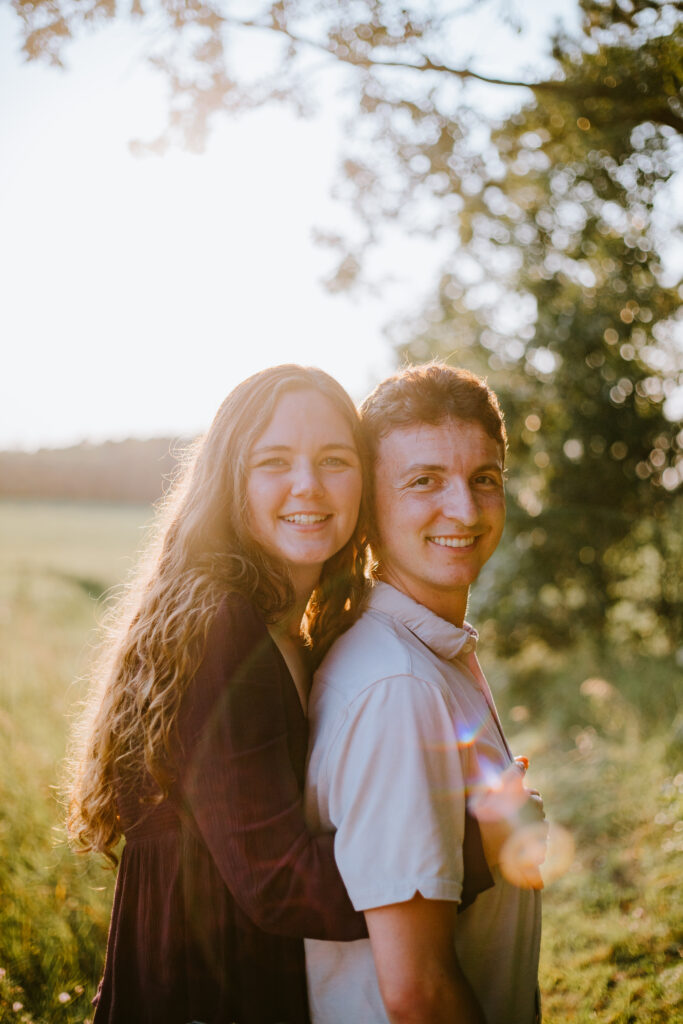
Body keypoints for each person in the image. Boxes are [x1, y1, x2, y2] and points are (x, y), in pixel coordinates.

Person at [67, 365, 369, 1024]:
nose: (307, 485)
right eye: (274, 461)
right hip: (206, 992)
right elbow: (279, 882)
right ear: (230, 480)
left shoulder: (287, 623)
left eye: (334, 460)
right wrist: (462, 851)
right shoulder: (219, 625)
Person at [305, 363, 544, 1024]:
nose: (464, 510)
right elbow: (419, 995)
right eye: (423, 482)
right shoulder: (396, 688)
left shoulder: (431, 653)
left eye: (483, 480)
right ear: (370, 508)